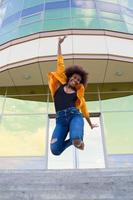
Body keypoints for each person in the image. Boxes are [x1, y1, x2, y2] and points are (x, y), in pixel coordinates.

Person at [48, 36, 98, 156]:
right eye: (74, 77)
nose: (75, 80)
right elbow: (60, 63)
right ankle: (74, 141)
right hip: (60, 121)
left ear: (79, 83)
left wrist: (90, 124)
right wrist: (59, 44)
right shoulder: (59, 85)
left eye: (78, 80)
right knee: (55, 150)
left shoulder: (78, 95)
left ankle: (77, 139)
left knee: (76, 137)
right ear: (70, 76)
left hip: (74, 116)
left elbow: (84, 111)